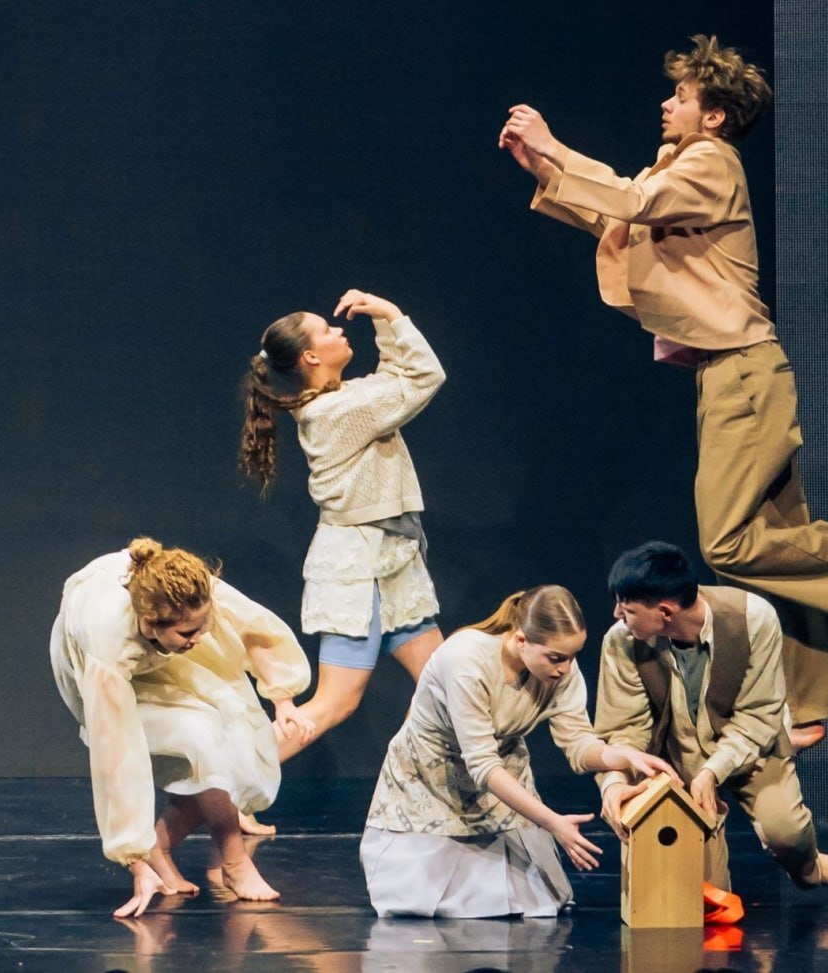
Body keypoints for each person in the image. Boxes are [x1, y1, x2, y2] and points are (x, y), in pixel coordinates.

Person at [499, 34, 828, 748]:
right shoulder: (684, 168)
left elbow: (632, 199)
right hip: (733, 375)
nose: (667, 105)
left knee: (729, 542)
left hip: (743, 375)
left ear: (715, 114)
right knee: (779, 539)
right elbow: (622, 219)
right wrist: (547, 169)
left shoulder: (710, 161)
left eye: (682, 96)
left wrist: (556, 146)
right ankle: (809, 702)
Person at [360, 585, 674, 918]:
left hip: (502, 770)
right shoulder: (466, 660)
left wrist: (622, 755)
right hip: (435, 771)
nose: (565, 668)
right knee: (421, 900)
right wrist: (552, 822)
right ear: (521, 640)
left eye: (572, 656)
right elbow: (482, 763)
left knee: (531, 902)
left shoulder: (559, 671)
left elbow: (579, 744)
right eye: (556, 658)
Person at [595, 540, 828, 900]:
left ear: (665, 612)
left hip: (747, 746)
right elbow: (624, 729)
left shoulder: (752, 619)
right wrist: (614, 784)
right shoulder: (621, 641)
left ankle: (812, 868)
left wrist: (713, 770)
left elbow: (758, 714)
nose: (617, 615)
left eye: (627, 608)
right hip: (672, 758)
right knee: (699, 898)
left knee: (787, 833)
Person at [49, 536, 313, 917]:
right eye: (190, 633)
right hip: (89, 663)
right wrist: (133, 860)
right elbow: (115, 756)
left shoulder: (189, 591)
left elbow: (251, 625)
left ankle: (167, 847)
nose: (200, 638)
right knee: (200, 736)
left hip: (159, 650)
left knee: (229, 714)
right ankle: (232, 862)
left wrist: (283, 698)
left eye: (203, 626)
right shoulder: (109, 646)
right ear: (150, 623)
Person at [240, 288, 446, 766]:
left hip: (389, 560)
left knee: (443, 684)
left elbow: (395, 377)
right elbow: (423, 377)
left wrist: (387, 327)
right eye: (326, 330)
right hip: (357, 568)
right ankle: (227, 786)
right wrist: (391, 313)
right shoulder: (336, 411)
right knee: (335, 704)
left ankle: (417, 782)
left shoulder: (346, 399)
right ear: (311, 356)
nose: (339, 331)